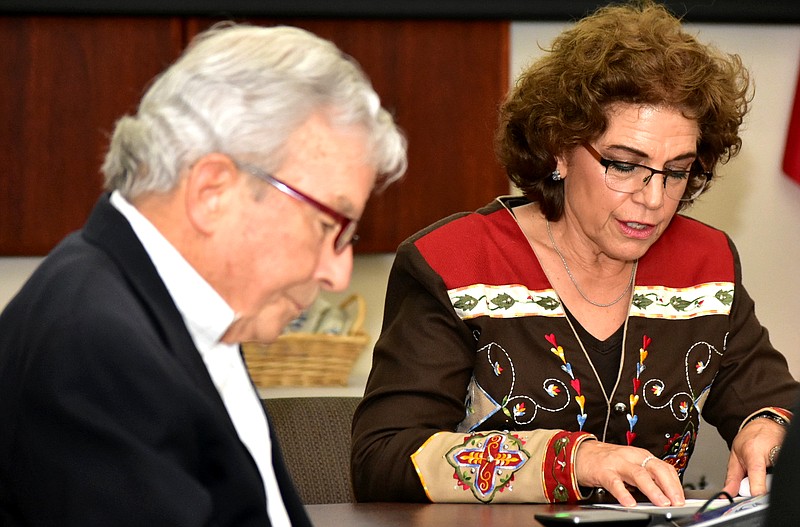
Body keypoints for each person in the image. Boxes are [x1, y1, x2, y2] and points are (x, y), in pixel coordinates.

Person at [351, 0, 797, 508]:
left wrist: (767, 427)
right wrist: (573, 460)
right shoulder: (455, 263)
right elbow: (382, 460)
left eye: (676, 171)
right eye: (625, 166)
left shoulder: (703, 263)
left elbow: (769, 397)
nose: (653, 199)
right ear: (558, 149)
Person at [0, 23, 406, 526]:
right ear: (212, 192)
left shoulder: (175, 308)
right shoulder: (94, 345)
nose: (338, 273)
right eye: (328, 226)